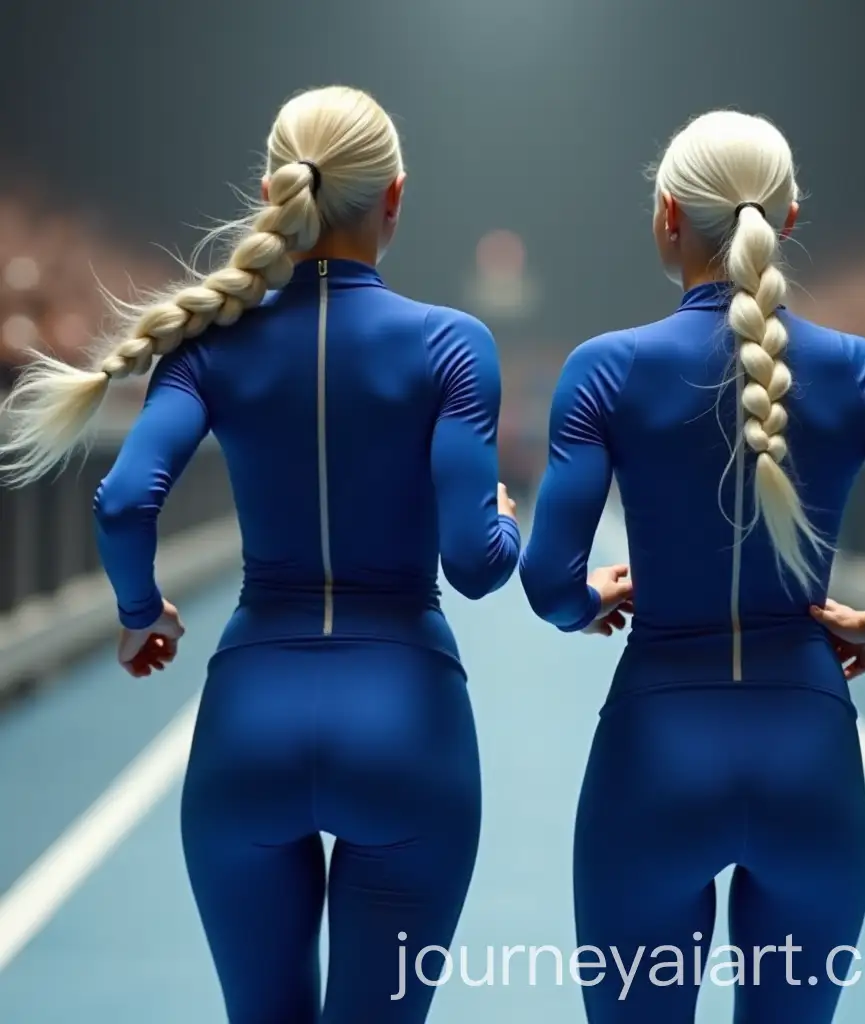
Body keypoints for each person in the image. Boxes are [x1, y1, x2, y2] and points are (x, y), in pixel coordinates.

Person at [0, 86, 520, 1024]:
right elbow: (477, 564)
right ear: (394, 197)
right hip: (407, 722)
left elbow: (123, 501)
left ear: (275, 192)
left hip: (248, 724)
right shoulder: (453, 345)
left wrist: (140, 614)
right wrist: (506, 518)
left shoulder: (210, 346)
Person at [519, 110, 865, 1023]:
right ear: (788, 218)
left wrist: (588, 604)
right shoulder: (864, 370)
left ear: (668, 215)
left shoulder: (605, 370)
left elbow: (548, 582)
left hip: (653, 752)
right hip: (809, 752)